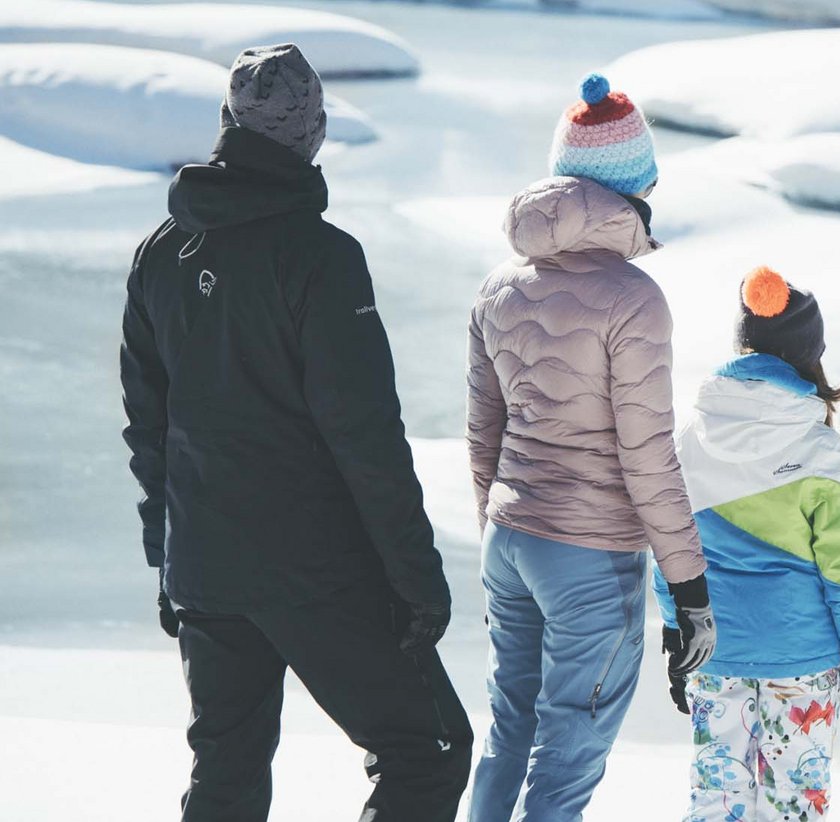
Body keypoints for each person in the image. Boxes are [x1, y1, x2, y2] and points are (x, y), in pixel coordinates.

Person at [119, 44, 472, 822]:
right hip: (313, 571)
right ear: (311, 134)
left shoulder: (159, 254)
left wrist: (169, 560)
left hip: (206, 567)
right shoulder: (324, 258)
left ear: (228, 126)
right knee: (431, 750)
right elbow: (366, 436)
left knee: (226, 777)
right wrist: (416, 579)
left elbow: (149, 433)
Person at [466, 73, 716, 821]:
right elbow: (648, 456)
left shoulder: (499, 287)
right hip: (589, 557)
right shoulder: (634, 299)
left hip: (509, 542)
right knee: (567, 755)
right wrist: (690, 594)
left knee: (509, 731)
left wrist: (501, 525)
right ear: (633, 187)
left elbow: (485, 433)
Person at [658, 266, 840, 822]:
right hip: (802, 659)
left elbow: (666, 542)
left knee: (717, 802)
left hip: (714, 651)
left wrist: (676, 629)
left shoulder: (691, 437)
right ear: (809, 355)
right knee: (794, 807)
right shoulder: (818, 447)